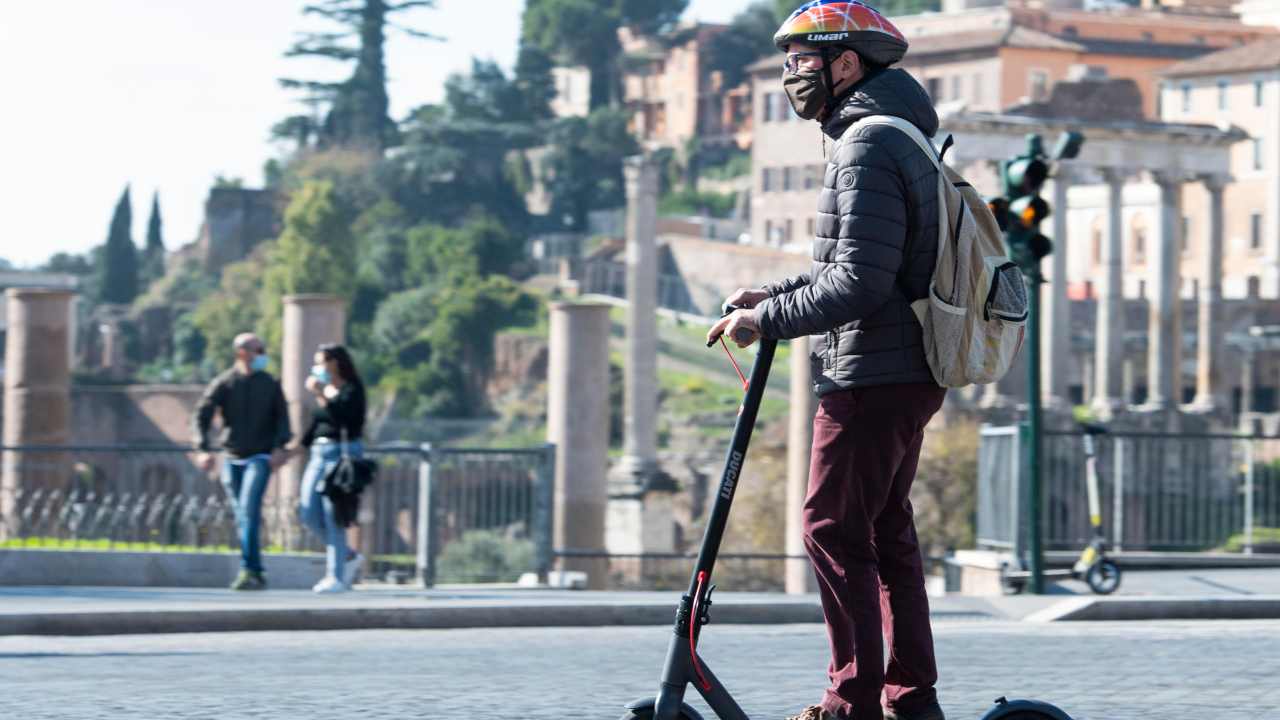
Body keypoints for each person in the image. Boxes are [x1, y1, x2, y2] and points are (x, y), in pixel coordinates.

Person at [707, 3, 947, 719]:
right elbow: (864, 262)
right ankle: (909, 700)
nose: (791, 75)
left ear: (847, 64)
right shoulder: (895, 135)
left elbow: (860, 283)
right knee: (883, 531)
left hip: (871, 374)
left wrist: (765, 320)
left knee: (830, 529)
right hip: (903, 369)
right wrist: (773, 292)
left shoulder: (867, 145)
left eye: (802, 61)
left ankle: (851, 705)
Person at [193, 332, 291, 591]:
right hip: (232, 456)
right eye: (257, 349)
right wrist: (203, 448)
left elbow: (282, 418)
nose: (261, 354)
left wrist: (281, 447)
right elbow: (202, 413)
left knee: (248, 510)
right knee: (242, 516)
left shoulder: (269, 383)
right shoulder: (225, 383)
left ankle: (249, 569)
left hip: (259, 456)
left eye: (262, 349)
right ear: (242, 353)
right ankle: (256, 571)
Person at [297, 343, 368, 593]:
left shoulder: (351, 389)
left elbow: (345, 418)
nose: (317, 367)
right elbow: (319, 422)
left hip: (341, 454)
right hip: (319, 453)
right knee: (307, 511)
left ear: (335, 363)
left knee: (332, 515)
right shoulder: (325, 392)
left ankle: (335, 576)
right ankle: (347, 555)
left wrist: (321, 393)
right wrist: (295, 448)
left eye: (321, 362)